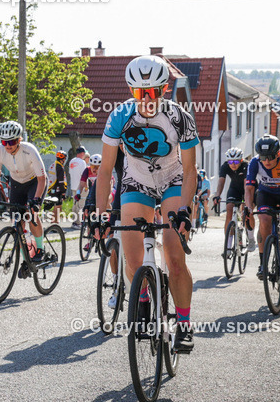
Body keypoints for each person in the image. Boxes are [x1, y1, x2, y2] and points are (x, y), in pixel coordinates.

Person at [95, 55, 199, 353]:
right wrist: (101, 214)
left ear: (165, 89)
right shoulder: (120, 116)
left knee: (175, 258)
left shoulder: (179, 117)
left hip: (173, 181)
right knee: (133, 260)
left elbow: (190, 170)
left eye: (154, 91)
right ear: (131, 90)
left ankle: (184, 324)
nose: (147, 98)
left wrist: (185, 210)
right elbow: (105, 170)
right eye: (140, 92)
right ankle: (142, 298)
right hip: (136, 182)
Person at [245, 135, 280, 282]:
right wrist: (249, 207)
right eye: (263, 157)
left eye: (270, 157)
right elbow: (249, 189)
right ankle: (262, 264)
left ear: (278, 154)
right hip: (266, 194)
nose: (267, 161)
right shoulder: (254, 163)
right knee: (264, 221)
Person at [0, 121, 47, 260]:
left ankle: (40, 249)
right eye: (5, 142)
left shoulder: (29, 150)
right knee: (17, 222)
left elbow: (42, 178)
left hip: (35, 182)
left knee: (32, 215)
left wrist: (36, 200)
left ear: (19, 140)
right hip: (16, 184)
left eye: (12, 142)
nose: (8, 146)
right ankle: (26, 260)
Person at [213, 147, 256, 251]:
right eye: (230, 162)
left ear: (241, 160)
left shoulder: (246, 166)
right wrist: (217, 195)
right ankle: (228, 245)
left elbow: (246, 186)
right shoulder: (225, 166)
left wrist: (246, 202)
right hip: (235, 188)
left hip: (249, 189)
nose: (233, 164)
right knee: (229, 209)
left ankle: (251, 238)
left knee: (247, 212)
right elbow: (221, 181)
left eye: (236, 161)